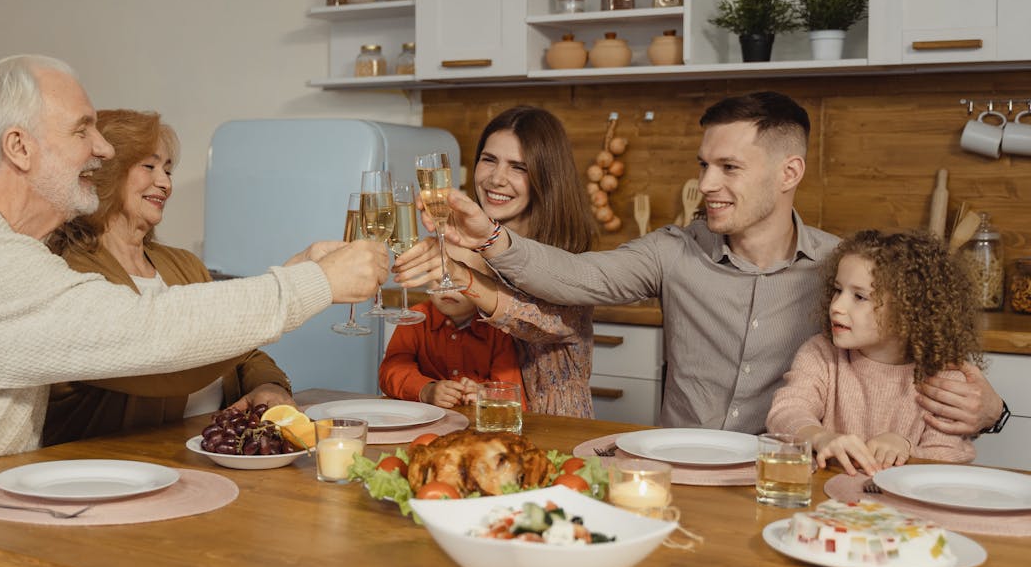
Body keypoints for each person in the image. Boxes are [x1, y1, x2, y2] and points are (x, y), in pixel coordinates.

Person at [0, 55, 386, 491]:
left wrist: (295, 275)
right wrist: (315, 284)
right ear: (19, 148)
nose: (104, 148)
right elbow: (146, 331)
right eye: (82, 130)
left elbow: (158, 323)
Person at [427, 91, 1004, 435]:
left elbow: (917, 360)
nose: (705, 184)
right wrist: (492, 237)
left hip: (787, 479)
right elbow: (577, 278)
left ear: (789, 173)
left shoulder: (841, 270)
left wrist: (992, 409)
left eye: (728, 168)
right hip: (678, 472)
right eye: (704, 165)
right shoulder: (672, 250)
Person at [42, 109, 294, 445]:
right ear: (105, 171)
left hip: (206, 457)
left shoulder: (184, 264)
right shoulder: (70, 272)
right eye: (149, 166)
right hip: (115, 470)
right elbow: (162, 361)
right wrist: (293, 289)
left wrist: (268, 386)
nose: (165, 182)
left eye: (168, 170)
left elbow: (242, 351)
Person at [397, 106, 598, 417]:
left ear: (546, 177)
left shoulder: (571, 260)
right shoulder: (465, 243)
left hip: (555, 432)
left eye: (519, 167)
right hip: (481, 430)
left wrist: (461, 276)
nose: (496, 178)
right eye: (489, 160)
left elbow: (536, 321)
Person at [767, 230, 983, 474]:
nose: (836, 306)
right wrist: (819, 437)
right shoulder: (821, 354)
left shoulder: (945, 379)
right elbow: (787, 411)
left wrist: (905, 447)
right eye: (838, 290)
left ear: (909, 311)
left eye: (860, 297)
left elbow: (946, 461)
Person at [377, 289, 525, 410]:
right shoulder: (414, 318)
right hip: (425, 421)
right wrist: (426, 390)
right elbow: (391, 371)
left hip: (479, 426)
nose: (446, 289)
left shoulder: (498, 328)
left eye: (458, 281)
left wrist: (485, 394)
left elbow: (511, 389)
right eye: (437, 279)